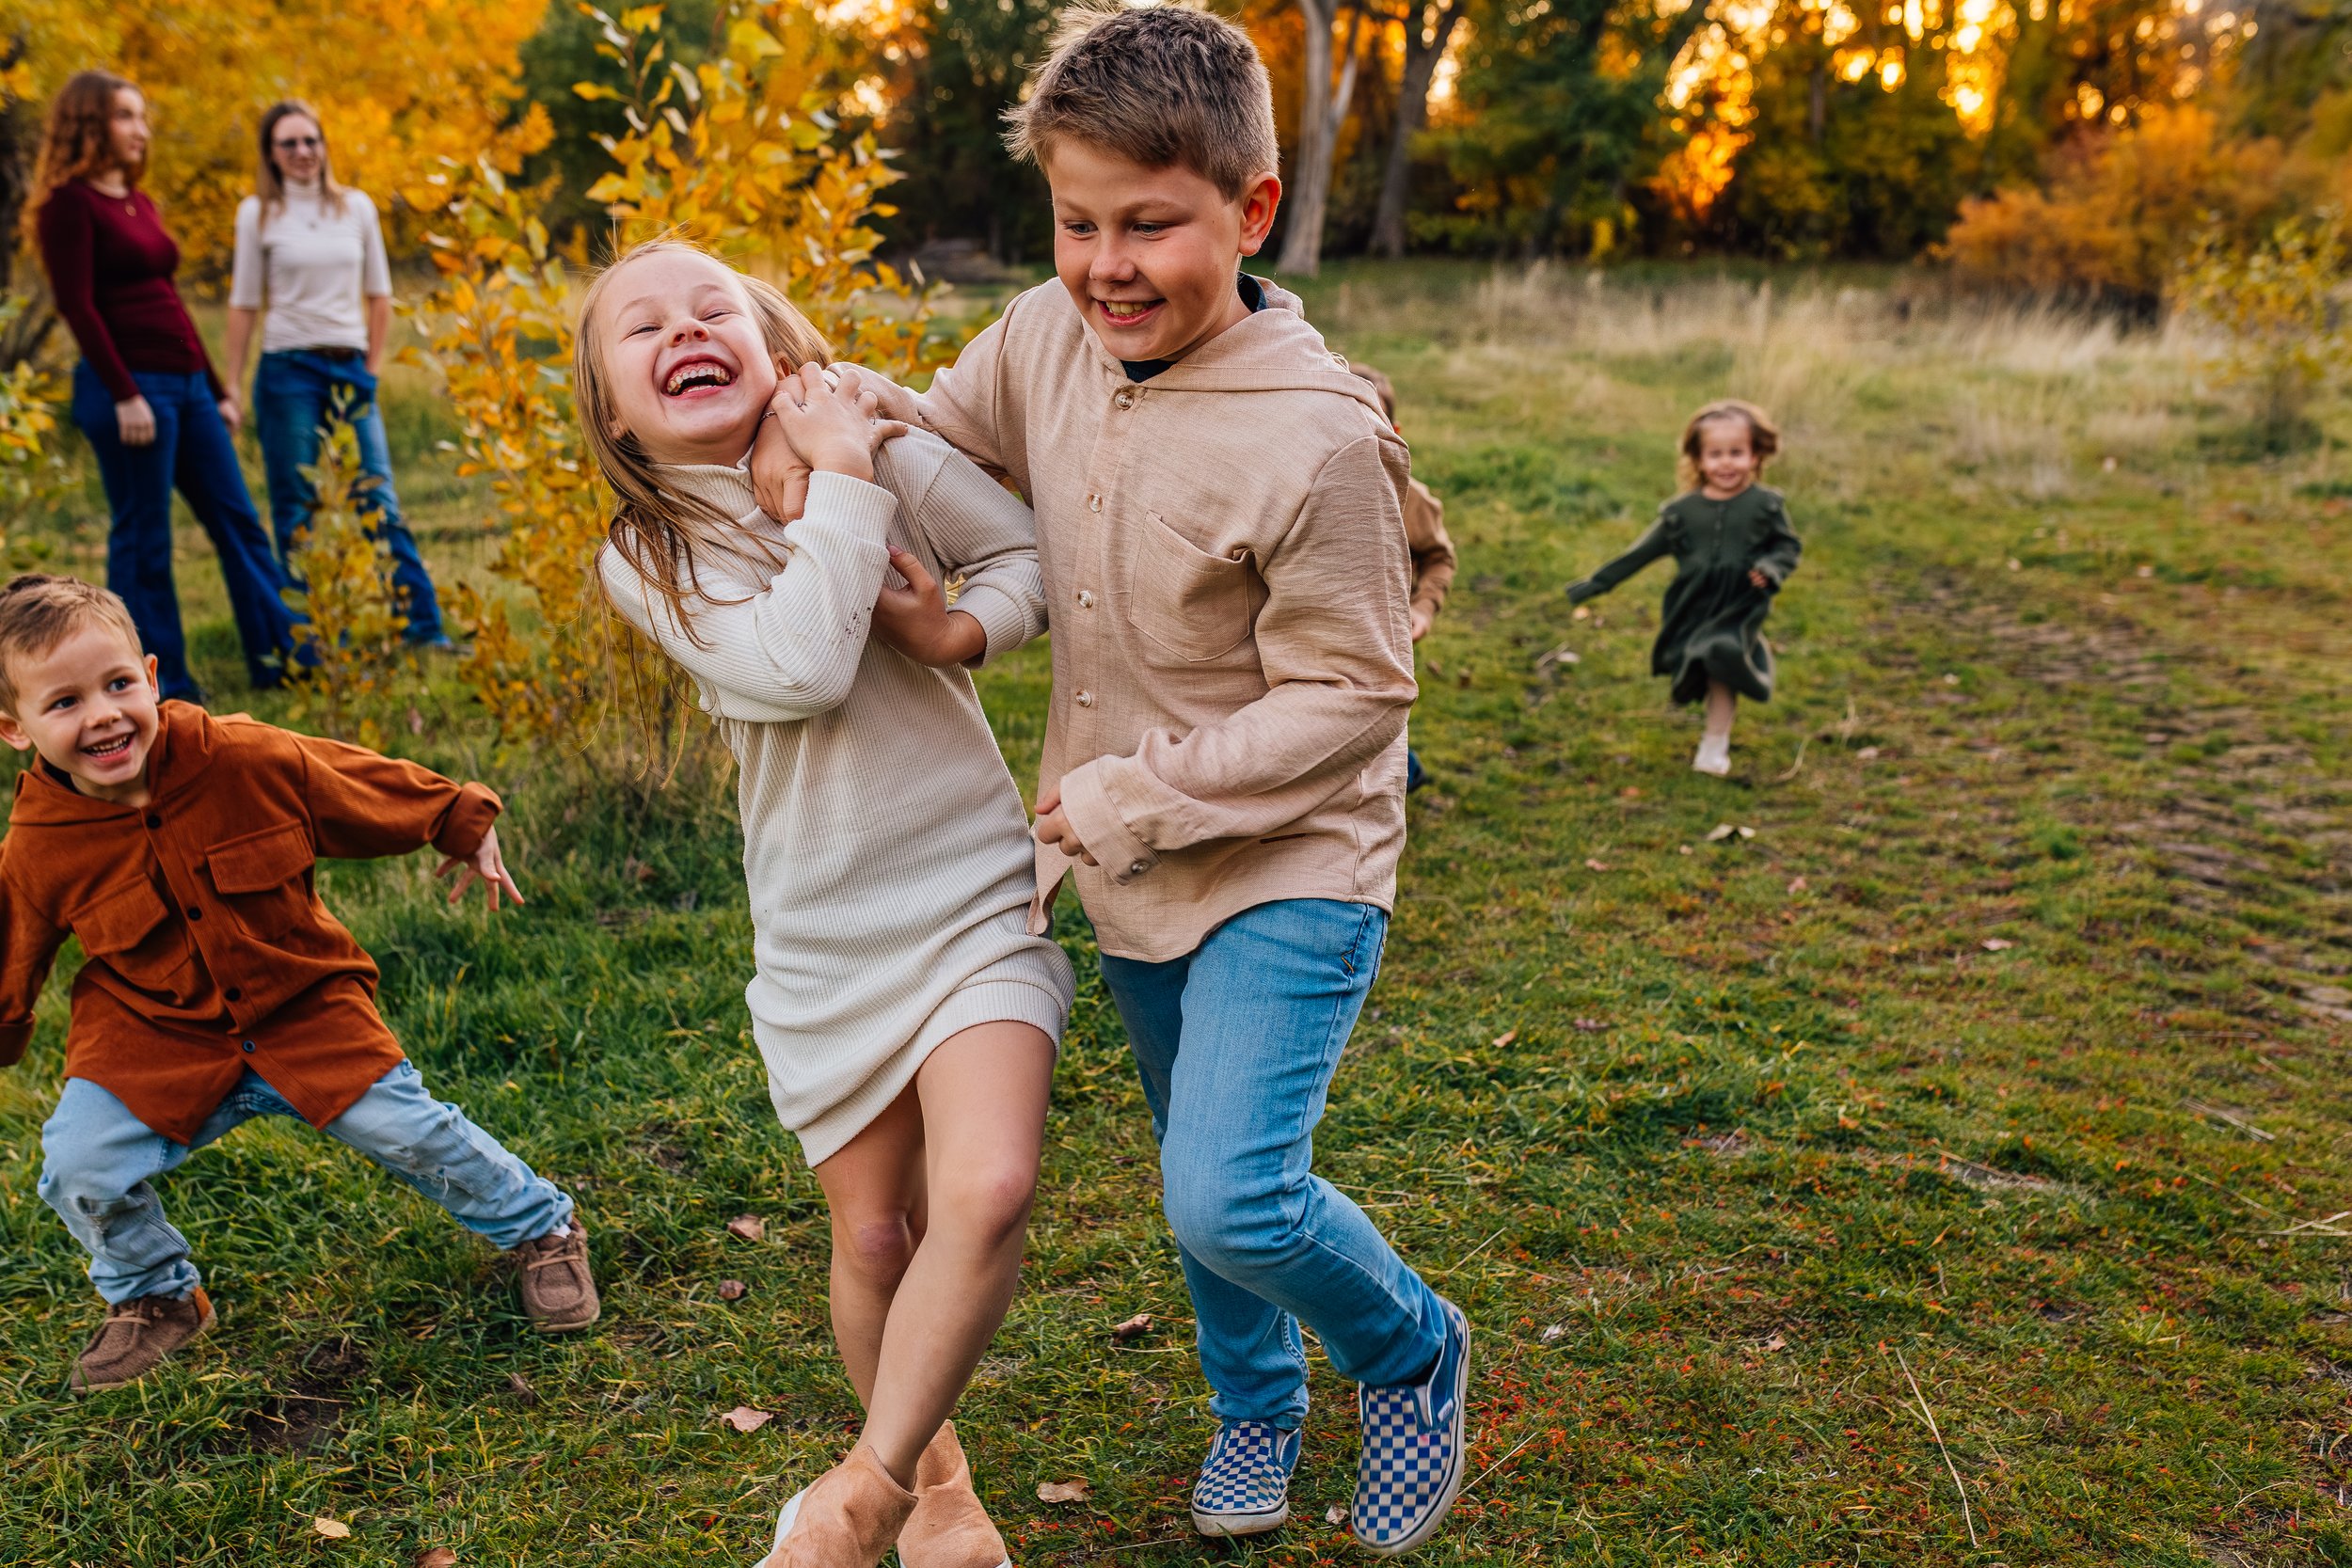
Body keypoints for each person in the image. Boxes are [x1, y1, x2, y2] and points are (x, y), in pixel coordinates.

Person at [775, 6, 1473, 1555]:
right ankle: (1256, 1404)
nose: (1108, 265)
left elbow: (1359, 694)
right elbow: (936, 448)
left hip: (1294, 857)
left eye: (1150, 224)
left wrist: (1126, 798)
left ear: (1253, 210)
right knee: (1191, 1166)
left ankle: (1411, 1349)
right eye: (1078, 222)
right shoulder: (1045, 334)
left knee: (1229, 1188)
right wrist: (814, 424)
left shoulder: (1311, 439)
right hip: (1131, 868)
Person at [580, 239, 1073, 1568]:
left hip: (974, 884)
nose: (684, 328)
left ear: (767, 333)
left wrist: (958, 628)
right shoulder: (652, 548)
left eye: (711, 307)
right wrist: (841, 476)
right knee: (875, 1227)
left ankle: (858, 1497)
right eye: (644, 326)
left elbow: (1024, 553)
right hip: (821, 930)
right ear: (615, 407)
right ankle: (941, 1485)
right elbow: (797, 665)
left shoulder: (873, 436)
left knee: (993, 1180)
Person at [0, 574, 596, 1395]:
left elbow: (350, 780)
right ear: (14, 728)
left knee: (411, 1130)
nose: (102, 714)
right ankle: (156, 1295)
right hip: (154, 1034)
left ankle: (543, 1227)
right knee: (77, 1161)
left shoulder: (243, 756)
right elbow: (14, 946)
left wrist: (457, 822)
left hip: (300, 1005)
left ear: (150, 673)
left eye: (117, 685)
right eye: (63, 703)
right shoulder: (39, 844)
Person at [32, 71, 303, 705]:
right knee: (145, 539)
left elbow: (168, 302)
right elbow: (78, 305)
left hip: (186, 387)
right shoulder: (67, 204)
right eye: (126, 116)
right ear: (89, 123)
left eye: (142, 116)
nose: (141, 129)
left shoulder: (139, 201)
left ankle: (284, 659)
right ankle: (158, 685)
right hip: (129, 392)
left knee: (239, 522)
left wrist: (216, 388)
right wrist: (124, 392)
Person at [224, 101, 449, 647]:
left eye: (310, 140)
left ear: (323, 145)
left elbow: (379, 296)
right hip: (287, 371)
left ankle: (424, 629)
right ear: (271, 155)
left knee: (378, 497)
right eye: (289, 144)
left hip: (349, 366)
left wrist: (370, 370)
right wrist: (231, 385)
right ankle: (316, 635)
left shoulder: (356, 208)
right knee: (297, 503)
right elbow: (244, 303)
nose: (302, 152)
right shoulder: (258, 213)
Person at [1565, 398, 1801, 776]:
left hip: (1740, 602)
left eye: (1737, 453)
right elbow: (1639, 554)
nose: (1726, 463)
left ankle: (1714, 743)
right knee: (1697, 666)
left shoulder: (1765, 506)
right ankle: (1711, 703)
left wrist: (1769, 569)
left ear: (1756, 455)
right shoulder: (1681, 514)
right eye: (1715, 454)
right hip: (1691, 604)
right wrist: (1595, 584)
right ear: (1698, 459)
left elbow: (1786, 547)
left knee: (1722, 654)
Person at [1350, 363, 1456, 794]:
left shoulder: (1415, 500)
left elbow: (1439, 558)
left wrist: (1423, 607)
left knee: (1380, 713)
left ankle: (1404, 773)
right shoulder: (1301, 488)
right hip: (1322, 627)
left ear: (1392, 428)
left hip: (1388, 635)